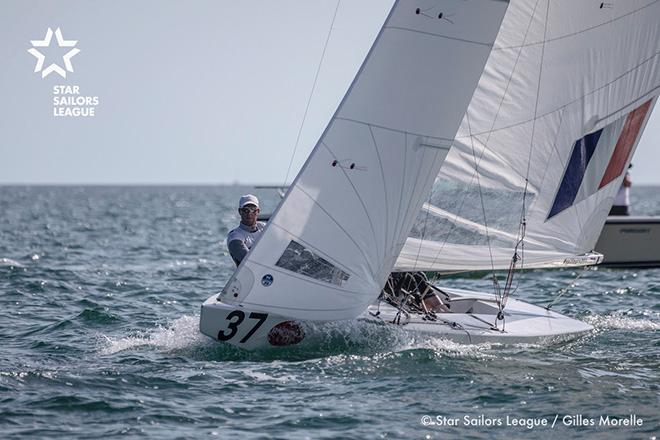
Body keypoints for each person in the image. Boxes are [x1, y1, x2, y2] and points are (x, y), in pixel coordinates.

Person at [227, 194, 266, 266]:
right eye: (246, 210)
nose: (249, 214)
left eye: (253, 210)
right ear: (240, 212)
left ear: (258, 211)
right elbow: (251, 262)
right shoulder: (235, 237)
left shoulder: (264, 227)